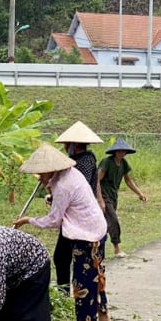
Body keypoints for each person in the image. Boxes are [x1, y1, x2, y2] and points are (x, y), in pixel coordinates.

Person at [13, 142, 110, 321]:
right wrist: (52, 197)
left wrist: (28, 220)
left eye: (41, 174)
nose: (39, 178)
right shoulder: (71, 174)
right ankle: (103, 318)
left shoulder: (63, 185)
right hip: (97, 229)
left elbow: (54, 221)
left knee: (82, 281)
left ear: (51, 170)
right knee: (97, 275)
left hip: (85, 235)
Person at [51, 121, 103, 295]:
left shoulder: (84, 162)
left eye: (67, 144)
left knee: (66, 257)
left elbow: (76, 189)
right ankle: (67, 291)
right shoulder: (77, 162)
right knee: (63, 257)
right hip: (74, 215)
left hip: (79, 218)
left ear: (74, 145)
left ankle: (67, 292)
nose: (65, 148)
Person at [98, 138, 147, 258]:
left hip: (113, 195)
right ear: (114, 152)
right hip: (104, 195)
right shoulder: (106, 162)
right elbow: (96, 180)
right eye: (119, 151)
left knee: (104, 222)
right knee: (113, 220)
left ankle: (98, 249)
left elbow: (128, 180)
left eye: (123, 151)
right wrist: (100, 199)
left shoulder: (124, 164)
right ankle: (117, 248)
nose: (121, 153)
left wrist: (140, 194)